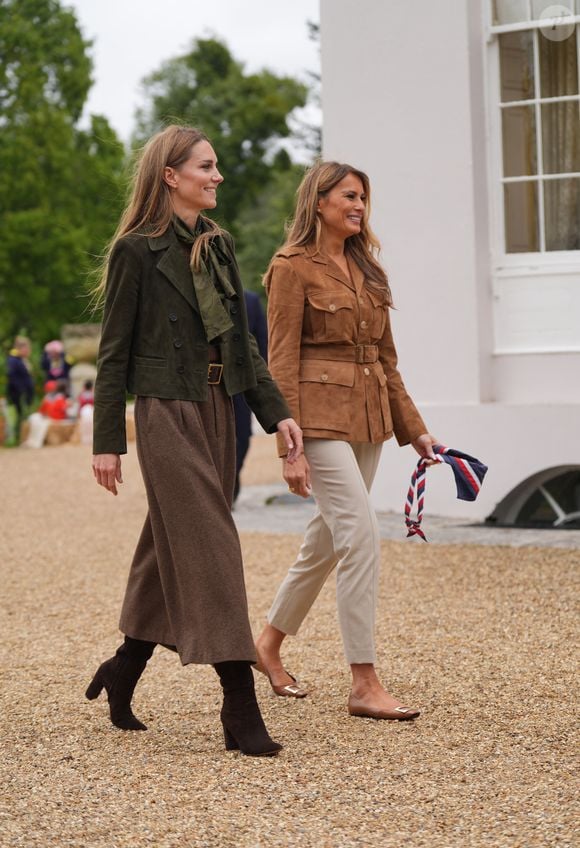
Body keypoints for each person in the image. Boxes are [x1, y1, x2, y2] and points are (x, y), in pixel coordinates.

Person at [86, 125, 303, 757]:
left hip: (218, 408)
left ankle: (124, 665)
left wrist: (275, 413)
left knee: (172, 539)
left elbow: (243, 344)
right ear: (170, 176)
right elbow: (112, 354)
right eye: (206, 167)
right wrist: (107, 440)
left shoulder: (219, 245)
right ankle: (239, 704)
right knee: (211, 541)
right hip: (165, 411)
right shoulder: (136, 250)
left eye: (216, 167)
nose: (217, 177)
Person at [255, 161, 439, 721]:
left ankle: (264, 644)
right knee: (360, 535)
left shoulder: (369, 271)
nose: (359, 206)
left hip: (370, 419)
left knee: (327, 542)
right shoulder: (290, 267)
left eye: (363, 198)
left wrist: (416, 430)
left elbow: (387, 361)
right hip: (317, 421)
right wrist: (290, 447)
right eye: (349, 196)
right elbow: (280, 358)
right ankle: (363, 681)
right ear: (319, 201)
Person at [232, 290, 268, 501]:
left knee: (243, 437)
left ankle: (232, 476)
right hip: (209, 383)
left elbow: (262, 343)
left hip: (243, 384)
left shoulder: (251, 301)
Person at [6, 336, 34, 443]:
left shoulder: (20, 360)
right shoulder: (14, 360)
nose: (28, 351)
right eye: (27, 348)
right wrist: (22, 390)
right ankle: (16, 438)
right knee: (19, 416)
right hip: (18, 394)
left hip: (23, 393)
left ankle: (21, 438)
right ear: (20, 348)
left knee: (23, 416)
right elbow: (13, 377)